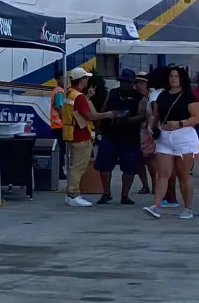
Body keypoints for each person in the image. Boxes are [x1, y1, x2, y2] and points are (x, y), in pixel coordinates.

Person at [144, 65, 199, 219]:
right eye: (171, 76)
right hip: (164, 137)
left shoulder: (189, 97)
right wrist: (151, 126)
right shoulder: (162, 96)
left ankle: (188, 208)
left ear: (182, 79)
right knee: (162, 174)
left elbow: (196, 117)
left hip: (184, 137)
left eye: (176, 76)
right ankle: (156, 205)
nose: (173, 79)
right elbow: (155, 115)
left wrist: (179, 124)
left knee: (183, 175)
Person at [62, 67, 117, 207]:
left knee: (75, 166)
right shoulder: (79, 96)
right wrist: (107, 114)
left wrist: (88, 98)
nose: (88, 80)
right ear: (82, 80)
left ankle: (71, 195)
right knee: (78, 167)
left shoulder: (69, 93)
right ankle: (74, 195)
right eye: (86, 78)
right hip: (81, 135)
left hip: (71, 133)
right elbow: (89, 116)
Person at [94, 68, 149, 204]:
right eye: (123, 81)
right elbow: (104, 108)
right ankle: (106, 193)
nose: (125, 84)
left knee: (129, 167)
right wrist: (99, 124)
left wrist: (129, 120)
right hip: (110, 134)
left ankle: (125, 195)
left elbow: (144, 115)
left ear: (132, 83)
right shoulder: (112, 93)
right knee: (104, 165)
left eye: (128, 82)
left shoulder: (139, 97)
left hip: (130, 136)